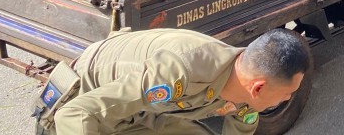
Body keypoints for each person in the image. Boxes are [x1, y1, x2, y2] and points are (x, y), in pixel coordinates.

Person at [34, 28, 311, 134]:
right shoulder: (181, 71)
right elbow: (76, 113)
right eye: (287, 94)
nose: (287, 99)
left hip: (142, 112)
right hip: (86, 106)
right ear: (259, 87)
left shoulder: (246, 90)